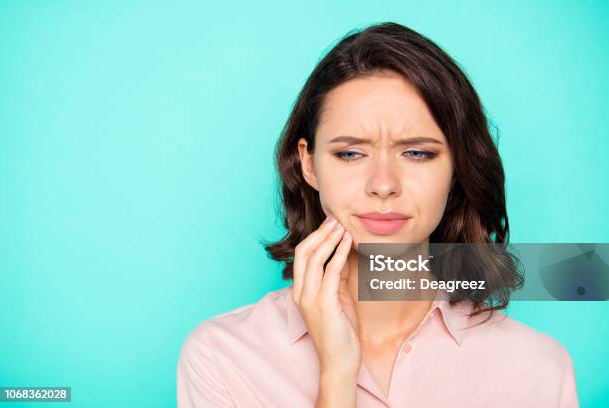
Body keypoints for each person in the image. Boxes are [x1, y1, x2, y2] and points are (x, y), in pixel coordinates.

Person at [177, 22, 579, 407]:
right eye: (350, 153)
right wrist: (337, 374)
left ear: (457, 168)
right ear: (310, 165)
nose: (383, 184)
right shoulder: (222, 356)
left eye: (417, 153)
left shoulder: (537, 369)